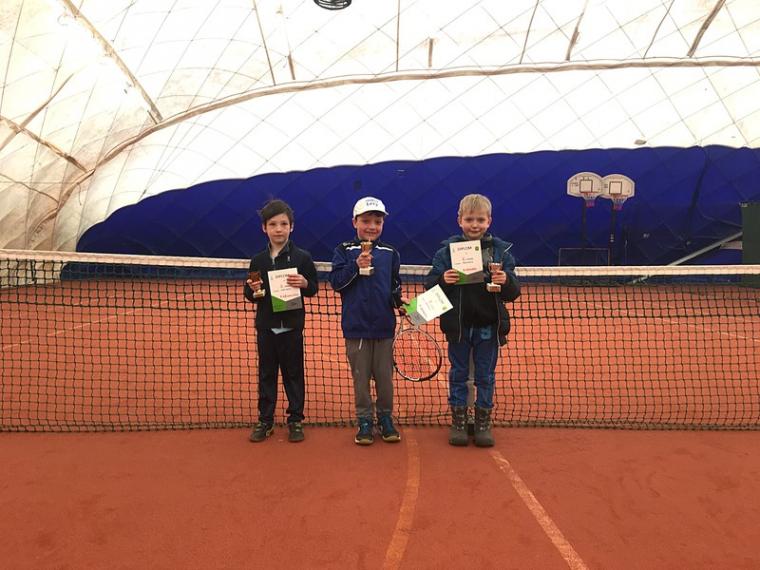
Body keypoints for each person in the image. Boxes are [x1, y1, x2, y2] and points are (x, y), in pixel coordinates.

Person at [424, 194, 520, 447]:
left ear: (489, 221)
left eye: (480, 220)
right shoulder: (446, 253)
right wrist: (443, 280)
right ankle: (458, 422)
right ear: (460, 220)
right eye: (469, 219)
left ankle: (482, 423)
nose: (474, 225)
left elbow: (513, 293)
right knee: (458, 374)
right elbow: (430, 286)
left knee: (485, 376)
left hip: (488, 327)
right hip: (458, 327)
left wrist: (505, 281)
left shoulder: (501, 252)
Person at [329, 196, 407, 445]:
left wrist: (400, 303)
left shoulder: (391, 253)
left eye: (377, 222)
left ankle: (385, 418)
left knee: (385, 379)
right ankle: (364, 420)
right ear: (355, 222)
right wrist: (355, 265)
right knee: (360, 379)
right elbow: (336, 283)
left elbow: (394, 286)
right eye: (366, 221)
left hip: (384, 328)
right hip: (356, 328)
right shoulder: (344, 250)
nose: (372, 226)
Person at [244, 199, 319, 443]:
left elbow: (313, 288)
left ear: (292, 227)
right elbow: (250, 294)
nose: (279, 229)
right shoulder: (258, 261)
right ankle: (265, 420)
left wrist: (305, 283)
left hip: (292, 327)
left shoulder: (302, 257)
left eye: (284, 224)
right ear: (264, 228)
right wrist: (254, 289)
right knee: (267, 374)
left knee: (293, 374)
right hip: (266, 328)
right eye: (273, 224)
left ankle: (295, 419)